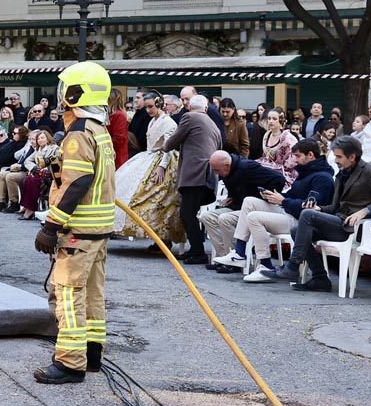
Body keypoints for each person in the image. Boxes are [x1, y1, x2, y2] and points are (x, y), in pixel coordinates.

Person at [33, 61, 117, 385]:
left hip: (77, 232)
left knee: (68, 293)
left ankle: (69, 363)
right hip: (99, 229)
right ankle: (92, 353)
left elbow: (78, 181)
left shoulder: (79, 133)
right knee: (93, 292)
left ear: (73, 92)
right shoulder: (100, 130)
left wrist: (51, 227)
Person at [259, 135, 371, 291]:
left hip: (359, 228)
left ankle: (293, 266)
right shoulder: (342, 173)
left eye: (339, 156)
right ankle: (320, 278)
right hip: (341, 222)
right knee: (297, 228)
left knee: (306, 215)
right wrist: (320, 209)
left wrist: (365, 211)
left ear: (352, 156)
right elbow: (335, 206)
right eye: (335, 156)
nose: (335, 160)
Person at [221, 138, 336, 282]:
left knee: (254, 217)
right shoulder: (306, 173)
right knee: (249, 200)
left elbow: (312, 207)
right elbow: (294, 195)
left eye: (298, 156)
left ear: (311, 155)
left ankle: (265, 265)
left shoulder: (323, 178)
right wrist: (274, 197)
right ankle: (239, 252)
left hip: (300, 221)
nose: (295, 160)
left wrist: (283, 200)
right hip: (289, 212)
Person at [199, 150, 287, 273]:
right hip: (237, 206)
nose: (216, 173)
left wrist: (265, 196)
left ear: (227, 166)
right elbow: (238, 186)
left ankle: (235, 258)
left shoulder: (247, 167)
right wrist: (232, 195)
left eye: (217, 170)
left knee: (225, 218)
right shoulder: (227, 171)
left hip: (252, 209)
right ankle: (222, 256)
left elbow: (278, 179)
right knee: (207, 216)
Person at [115, 90, 183, 246]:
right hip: (149, 157)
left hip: (163, 161)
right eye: (146, 107)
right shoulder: (152, 121)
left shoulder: (168, 122)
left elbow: (169, 147)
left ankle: (164, 239)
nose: (148, 110)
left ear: (158, 104)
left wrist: (162, 166)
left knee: (161, 199)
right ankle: (153, 237)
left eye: (151, 107)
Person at [162, 94, 222, 264]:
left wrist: (165, 145)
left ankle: (198, 252)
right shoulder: (213, 124)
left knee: (187, 213)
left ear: (189, 107)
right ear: (206, 108)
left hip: (194, 173)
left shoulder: (189, 117)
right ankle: (195, 249)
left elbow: (174, 140)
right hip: (208, 174)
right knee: (190, 212)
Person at [0, 127, 40, 214]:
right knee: (2, 174)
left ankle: (14, 202)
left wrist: (20, 166)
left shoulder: (38, 149)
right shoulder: (29, 146)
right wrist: (26, 148)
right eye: (30, 139)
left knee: (10, 177)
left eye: (33, 139)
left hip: (28, 171)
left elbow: (32, 164)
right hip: (21, 168)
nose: (31, 141)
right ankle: (0, 202)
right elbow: (17, 156)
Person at [19, 129, 60, 219]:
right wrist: (34, 168)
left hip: (49, 175)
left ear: (48, 138)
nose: (40, 140)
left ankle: (29, 209)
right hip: (38, 173)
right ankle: (27, 206)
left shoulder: (54, 148)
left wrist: (44, 168)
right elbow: (27, 161)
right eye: (38, 139)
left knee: (32, 180)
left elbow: (57, 162)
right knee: (29, 179)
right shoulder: (38, 150)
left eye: (42, 138)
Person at [258, 109, 298, 183]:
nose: (271, 121)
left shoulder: (289, 139)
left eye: (274, 119)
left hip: (284, 175)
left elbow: (292, 163)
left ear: (281, 120)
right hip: (267, 172)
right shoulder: (267, 135)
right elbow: (265, 156)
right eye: (269, 118)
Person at [107, 88, 129, 170]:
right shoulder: (113, 115)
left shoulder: (119, 115)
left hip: (117, 157)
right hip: (112, 155)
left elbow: (119, 139)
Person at [127, 88, 150, 159]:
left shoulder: (148, 115)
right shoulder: (138, 114)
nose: (135, 100)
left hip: (142, 153)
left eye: (138, 98)